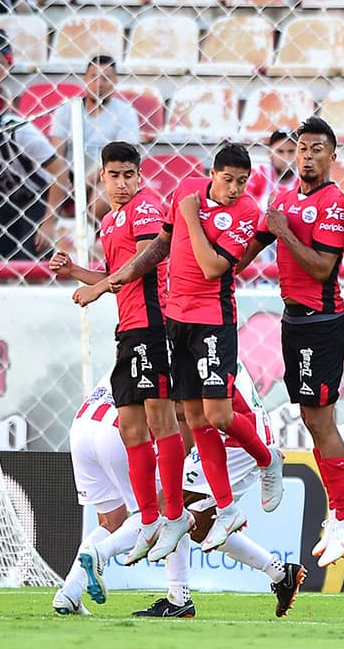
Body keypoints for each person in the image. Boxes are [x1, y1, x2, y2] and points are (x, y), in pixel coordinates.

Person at [84, 143, 284, 555]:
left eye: (241, 183)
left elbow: (214, 268)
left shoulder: (243, 212)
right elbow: (160, 245)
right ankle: (218, 509)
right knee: (193, 418)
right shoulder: (186, 192)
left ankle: (268, 459)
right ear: (213, 173)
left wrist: (191, 216)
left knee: (216, 414)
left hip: (213, 320)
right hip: (177, 321)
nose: (233, 189)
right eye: (227, 179)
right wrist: (114, 279)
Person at [53, 366, 305, 619]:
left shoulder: (176, 345)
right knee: (192, 523)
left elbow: (185, 411)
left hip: (230, 439)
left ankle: (100, 559)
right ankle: (280, 573)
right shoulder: (193, 341)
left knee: (169, 510)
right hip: (230, 433)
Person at [49, 141, 189, 567]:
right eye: (115, 175)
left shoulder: (146, 210)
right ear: (102, 177)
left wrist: (95, 288)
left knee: (161, 420)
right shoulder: (109, 223)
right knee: (129, 426)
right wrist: (77, 272)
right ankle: (148, 518)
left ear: (139, 176)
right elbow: (116, 278)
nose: (123, 183)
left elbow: (147, 260)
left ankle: (173, 514)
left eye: (130, 175)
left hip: (154, 327)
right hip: (127, 331)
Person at [237, 117, 344, 568]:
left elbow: (321, 268)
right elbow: (250, 246)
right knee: (312, 420)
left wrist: (285, 230)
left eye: (316, 149)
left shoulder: (334, 204)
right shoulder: (284, 199)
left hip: (322, 322)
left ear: (332, 156)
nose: (306, 156)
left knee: (321, 420)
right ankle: (341, 513)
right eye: (300, 149)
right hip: (294, 322)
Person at [48, 56, 141, 221]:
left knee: (101, 201)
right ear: (85, 79)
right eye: (94, 77)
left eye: (106, 78)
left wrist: (88, 180)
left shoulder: (126, 113)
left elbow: (123, 158)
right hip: (69, 173)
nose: (100, 83)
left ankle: (91, 239)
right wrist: (67, 178)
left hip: (107, 174)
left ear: (115, 82)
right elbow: (57, 153)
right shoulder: (66, 110)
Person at [0, 100, 65, 260]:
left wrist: (50, 222)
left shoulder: (18, 131)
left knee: (30, 256)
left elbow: (61, 172)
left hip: (38, 194)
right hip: (3, 195)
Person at [247, 128, 297, 212]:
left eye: (291, 151)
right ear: (270, 153)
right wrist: (267, 201)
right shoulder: (259, 174)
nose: (286, 158)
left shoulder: (305, 178)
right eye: (280, 151)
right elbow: (243, 201)